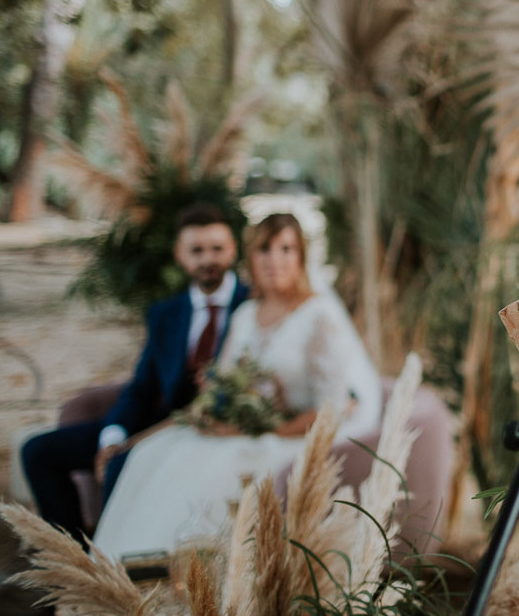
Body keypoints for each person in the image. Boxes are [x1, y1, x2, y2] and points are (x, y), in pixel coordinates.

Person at [91, 212, 383, 558]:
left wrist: (265, 431)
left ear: (301, 256)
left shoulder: (319, 315)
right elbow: (216, 391)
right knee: (151, 454)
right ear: (251, 257)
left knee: (215, 467)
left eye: (286, 249)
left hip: (287, 437)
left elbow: (330, 410)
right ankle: (129, 574)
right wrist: (140, 437)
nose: (275, 260)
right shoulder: (245, 315)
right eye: (265, 249)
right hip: (240, 428)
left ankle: (194, 586)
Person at [21, 202, 249, 545]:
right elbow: (141, 386)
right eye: (196, 250)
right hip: (154, 423)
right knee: (37, 452)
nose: (207, 259)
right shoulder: (166, 314)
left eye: (217, 248)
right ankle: (74, 564)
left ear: (233, 250)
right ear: (180, 255)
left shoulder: (253, 306)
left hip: (214, 429)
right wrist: (113, 435)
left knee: (123, 462)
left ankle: (112, 556)